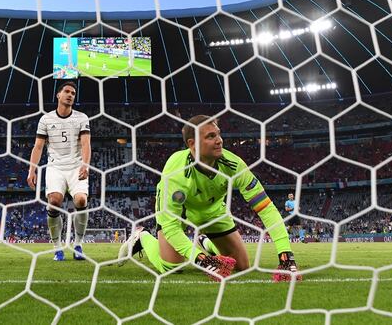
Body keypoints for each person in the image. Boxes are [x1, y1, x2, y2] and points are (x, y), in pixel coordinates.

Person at [118, 115, 300, 282]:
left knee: (242, 266)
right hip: (178, 215)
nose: (219, 140)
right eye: (211, 136)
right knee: (172, 267)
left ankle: (204, 241)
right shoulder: (176, 172)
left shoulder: (234, 165)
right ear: (192, 143)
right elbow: (171, 226)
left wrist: (285, 254)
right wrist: (201, 259)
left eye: (218, 134)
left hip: (212, 211)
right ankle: (141, 237)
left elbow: (266, 208)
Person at [27, 82, 91, 261]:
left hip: (76, 165)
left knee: (80, 200)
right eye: (67, 92)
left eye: (73, 93)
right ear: (58, 95)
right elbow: (38, 147)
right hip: (55, 167)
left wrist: (85, 165)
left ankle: (78, 245)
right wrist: (32, 170)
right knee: (54, 201)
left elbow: (86, 144)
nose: (70, 95)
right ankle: (57, 248)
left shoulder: (81, 118)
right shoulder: (46, 119)